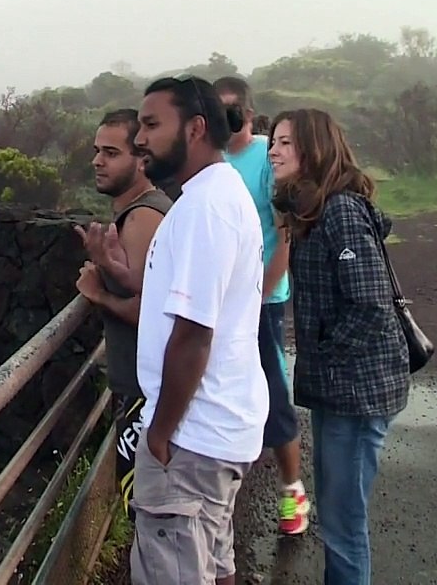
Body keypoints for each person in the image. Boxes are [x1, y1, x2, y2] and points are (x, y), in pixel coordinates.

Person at [86, 75, 269, 585]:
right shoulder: (219, 194)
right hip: (217, 429)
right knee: (213, 564)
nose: (140, 139)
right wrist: (119, 275)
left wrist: (160, 433)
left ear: (195, 128)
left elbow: (193, 334)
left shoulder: (202, 210)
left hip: (192, 438)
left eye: (150, 125)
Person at [268, 109, 409, 585]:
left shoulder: (340, 210)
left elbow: (370, 305)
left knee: (344, 524)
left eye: (285, 142)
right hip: (340, 388)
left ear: (314, 148)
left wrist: (324, 358)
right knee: (335, 516)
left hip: (357, 390)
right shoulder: (309, 210)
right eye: (273, 141)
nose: (274, 150)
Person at [214, 76, 309, 536]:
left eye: (231, 110)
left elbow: (284, 236)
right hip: (220, 300)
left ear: (249, 115)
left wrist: (259, 296)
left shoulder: (264, 157)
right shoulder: (209, 159)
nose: (223, 118)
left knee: (272, 392)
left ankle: (292, 491)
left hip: (264, 299)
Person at [72, 108, 171, 515]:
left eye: (111, 152)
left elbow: (151, 311)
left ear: (141, 159)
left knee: (146, 514)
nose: (97, 160)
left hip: (143, 392)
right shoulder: (145, 210)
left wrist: (99, 294)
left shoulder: (144, 217)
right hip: (141, 387)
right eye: (97, 151)